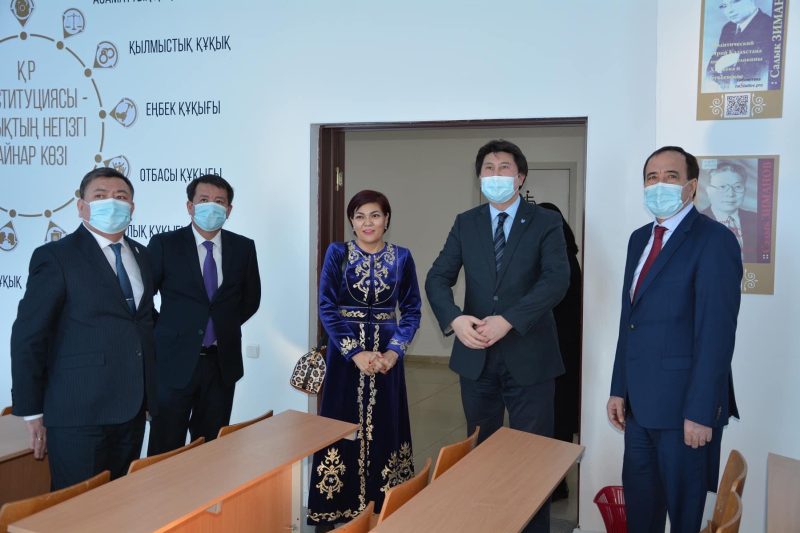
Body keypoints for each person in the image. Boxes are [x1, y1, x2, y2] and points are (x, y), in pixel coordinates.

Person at [425, 139, 569, 533]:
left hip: (531, 355)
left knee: (531, 457)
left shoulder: (545, 222)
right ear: (479, 178)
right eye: (488, 168)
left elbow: (556, 280)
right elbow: (437, 278)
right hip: (477, 357)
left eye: (504, 167)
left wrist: (509, 319)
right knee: (480, 453)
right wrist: (455, 319)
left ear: (520, 177)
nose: (495, 174)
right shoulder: (466, 222)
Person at [607, 146, 742, 533]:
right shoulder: (639, 240)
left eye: (671, 176)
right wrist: (618, 389)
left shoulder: (714, 240)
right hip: (639, 409)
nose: (659, 184)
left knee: (685, 519)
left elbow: (716, 334)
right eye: (652, 177)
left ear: (692, 186)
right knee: (641, 515)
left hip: (686, 413)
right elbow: (629, 322)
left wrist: (700, 412)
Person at [10, 167, 158, 489]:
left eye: (120, 197)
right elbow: (28, 335)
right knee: (77, 507)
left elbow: (143, 323)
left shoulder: (143, 256)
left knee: (121, 501)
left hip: (132, 411)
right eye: (100, 196)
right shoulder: (55, 257)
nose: (112, 202)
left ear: (132, 207)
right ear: (81, 206)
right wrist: (31, 410)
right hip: (78, 413)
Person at [307, 190, 421, 531]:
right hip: (345, 357)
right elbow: (327, 306)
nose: (367, 223)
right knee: (339, 428)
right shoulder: (338, 253)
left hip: (387, 357)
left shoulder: (402, 257)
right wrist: (355, 352)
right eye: (359, 216)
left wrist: (394, 351)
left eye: (374, 215)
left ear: (387, 219)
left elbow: (412, 310)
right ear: (351, 222)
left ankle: (384, 505)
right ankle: (335, 508)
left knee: (387, 425)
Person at [146, 175, 261, 455]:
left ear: (229, 210)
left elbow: (251, 299)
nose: (212, 206)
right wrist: (167, 329)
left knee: (212, 450)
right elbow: (143, 297)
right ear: (190, 206)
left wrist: (221, 325)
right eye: (204, 200)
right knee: (165, 449)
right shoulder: (165, 244)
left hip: (221, 364)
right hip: (173, 363)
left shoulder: (243, 247)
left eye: (219, 202)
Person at [538, 202, 582, 501]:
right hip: (566, 350)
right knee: (559, 416)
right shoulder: (567, 256)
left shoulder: (557, 261)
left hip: (554, 351)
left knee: (554, 416)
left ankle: (553, 482)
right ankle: (556, 480)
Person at [706, 0, 773, 90]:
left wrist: (738, 58)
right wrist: (711, 82)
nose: (729, 10)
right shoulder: (728, 28)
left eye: (735, 2)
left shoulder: (770, 26)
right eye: (724, 6)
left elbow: (762, 70)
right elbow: (715, 60)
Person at [701, 161, 759, 263]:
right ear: (709, 191)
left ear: (745, 190)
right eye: (722, 187)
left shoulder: (757, 220)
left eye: (737, 187)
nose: (730, 194)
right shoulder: (697, 222)